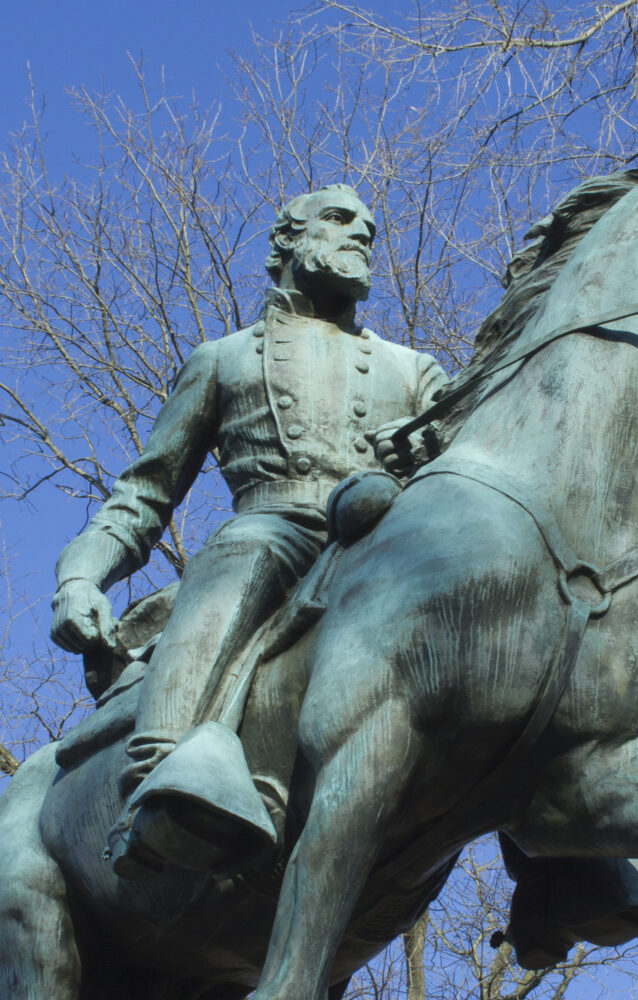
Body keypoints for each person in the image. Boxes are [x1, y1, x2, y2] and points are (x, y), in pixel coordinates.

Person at [50, 184, 447, 878]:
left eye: (370, 227)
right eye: (339, 219)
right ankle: (167, 783)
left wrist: (436, 452)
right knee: (243, 556)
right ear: (286, 242)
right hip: (277, 524)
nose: (362, 232)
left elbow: (471, 462)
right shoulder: (223, 359)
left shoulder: (413, 370)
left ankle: (562, 845)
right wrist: (79, 576)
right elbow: (144, 494)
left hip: (392, 540)